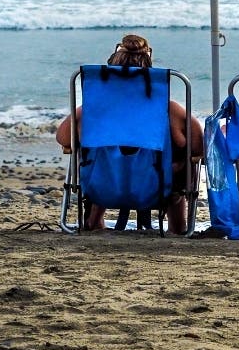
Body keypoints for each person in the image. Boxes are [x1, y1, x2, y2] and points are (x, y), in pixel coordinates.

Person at [56, 34, 203, 233]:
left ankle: (93, 220)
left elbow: (64, 139)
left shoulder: (93, 110)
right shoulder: (169, 111)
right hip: (157, 186)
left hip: (103, 185)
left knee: (103, 155)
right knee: (183, 160)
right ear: (150, 73)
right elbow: (198, 146)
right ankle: (178, 226)